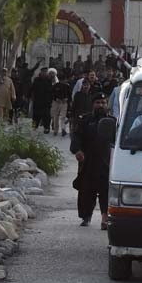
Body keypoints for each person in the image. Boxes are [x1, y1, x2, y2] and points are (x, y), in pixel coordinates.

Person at [70, 92, 115, 229]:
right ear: (93, 105)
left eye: (103, 103)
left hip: (106, 162)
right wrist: (77, 151)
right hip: (88, 162)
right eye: (98, 103)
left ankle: (105, 218)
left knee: (105, 191)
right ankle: (86, 216)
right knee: (86, 191)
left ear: (107, 105)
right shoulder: (85, 120)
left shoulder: (113, 121)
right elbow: (76, 137)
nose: (100, 105)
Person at [29, 67, 53, 134]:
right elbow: (32, 88)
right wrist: (28, 96)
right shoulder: (36, 80)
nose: (44, 73)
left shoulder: (49, 80)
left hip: (46, 102)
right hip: (37, 101)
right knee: (36, 115)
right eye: (43, 72)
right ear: (41, 72)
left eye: (46, 72)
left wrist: (51, 100)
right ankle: (34, 126)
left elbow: (51, 91)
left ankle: (46, 128)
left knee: (47, 116)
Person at [51, 69, 71, 137]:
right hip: (56, 102)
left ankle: (63, 129)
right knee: (55, 116)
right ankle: (55, 130)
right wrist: (56, 99)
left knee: (63, 117)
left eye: (64, 80)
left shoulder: (67, 86)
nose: (63, 81)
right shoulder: (55, 86)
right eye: (61, 80)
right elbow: (52, 94)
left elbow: (69, 95)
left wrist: (67, 99)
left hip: (64, 103)